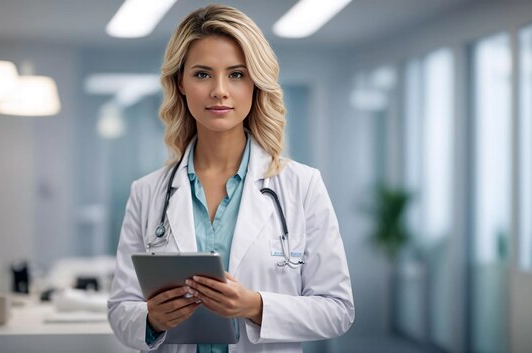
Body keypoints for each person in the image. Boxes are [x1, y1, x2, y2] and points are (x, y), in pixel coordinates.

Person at [107, 4, 354, 353]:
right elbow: (120, 311)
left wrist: (254, 305)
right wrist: (152, 320)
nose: (219, 90)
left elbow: (338, 311)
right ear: (181, 83)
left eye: (236, 74)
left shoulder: (302, 185)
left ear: (255, 82)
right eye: (203, 74)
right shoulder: (148, 192)